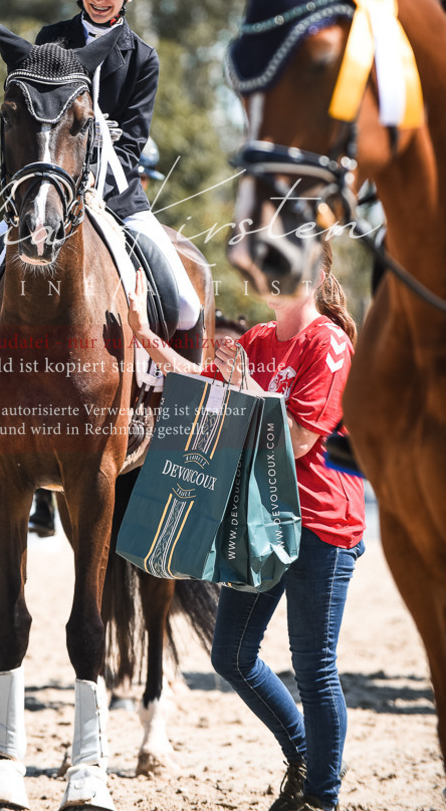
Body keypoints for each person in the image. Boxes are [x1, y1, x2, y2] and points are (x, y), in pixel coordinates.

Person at [0, 0, 203, 480]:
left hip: (117, 197)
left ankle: (184, 424)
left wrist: (92, 156)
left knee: (184, 300)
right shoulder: (51, 40)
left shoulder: (143, 58)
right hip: (44, 195)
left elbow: (133, 144)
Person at [127, 240, 365, 811]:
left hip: (321, 525)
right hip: (265, 521)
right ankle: (306, 755)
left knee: (314, 668)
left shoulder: (329, 344)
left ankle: (321, 797)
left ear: (317, 275)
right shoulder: (257, 340)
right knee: (232, 655)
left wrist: (247, 389)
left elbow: (300, 440)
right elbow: (202, 386)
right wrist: (144, 335)